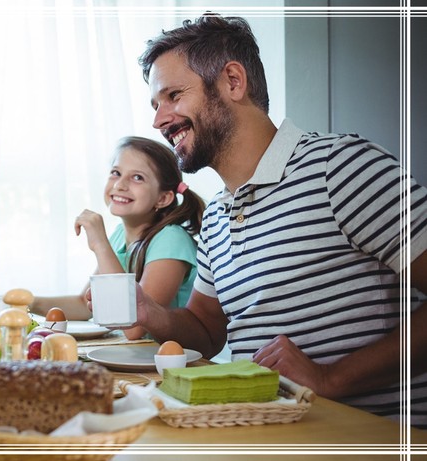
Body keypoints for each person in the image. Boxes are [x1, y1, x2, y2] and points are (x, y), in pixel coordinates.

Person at [121, 13, 427, 427]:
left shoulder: (340, 166)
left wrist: (330, 377)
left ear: (233, 81)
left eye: (173, 95)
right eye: (156, 105)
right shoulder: (215, 216)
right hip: (269, 435)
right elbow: (206, 331)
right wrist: (149, 312)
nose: (159, 120)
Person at [32, 137, 204, 341]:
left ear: (163, 198)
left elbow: (133, 327)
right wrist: (29, 302)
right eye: (116, 173)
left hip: (164, 365)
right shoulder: (119, 236)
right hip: (132, 357)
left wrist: (100, 244)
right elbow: (82, 305)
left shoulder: (171, 239)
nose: (120, 185)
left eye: (137, 178)